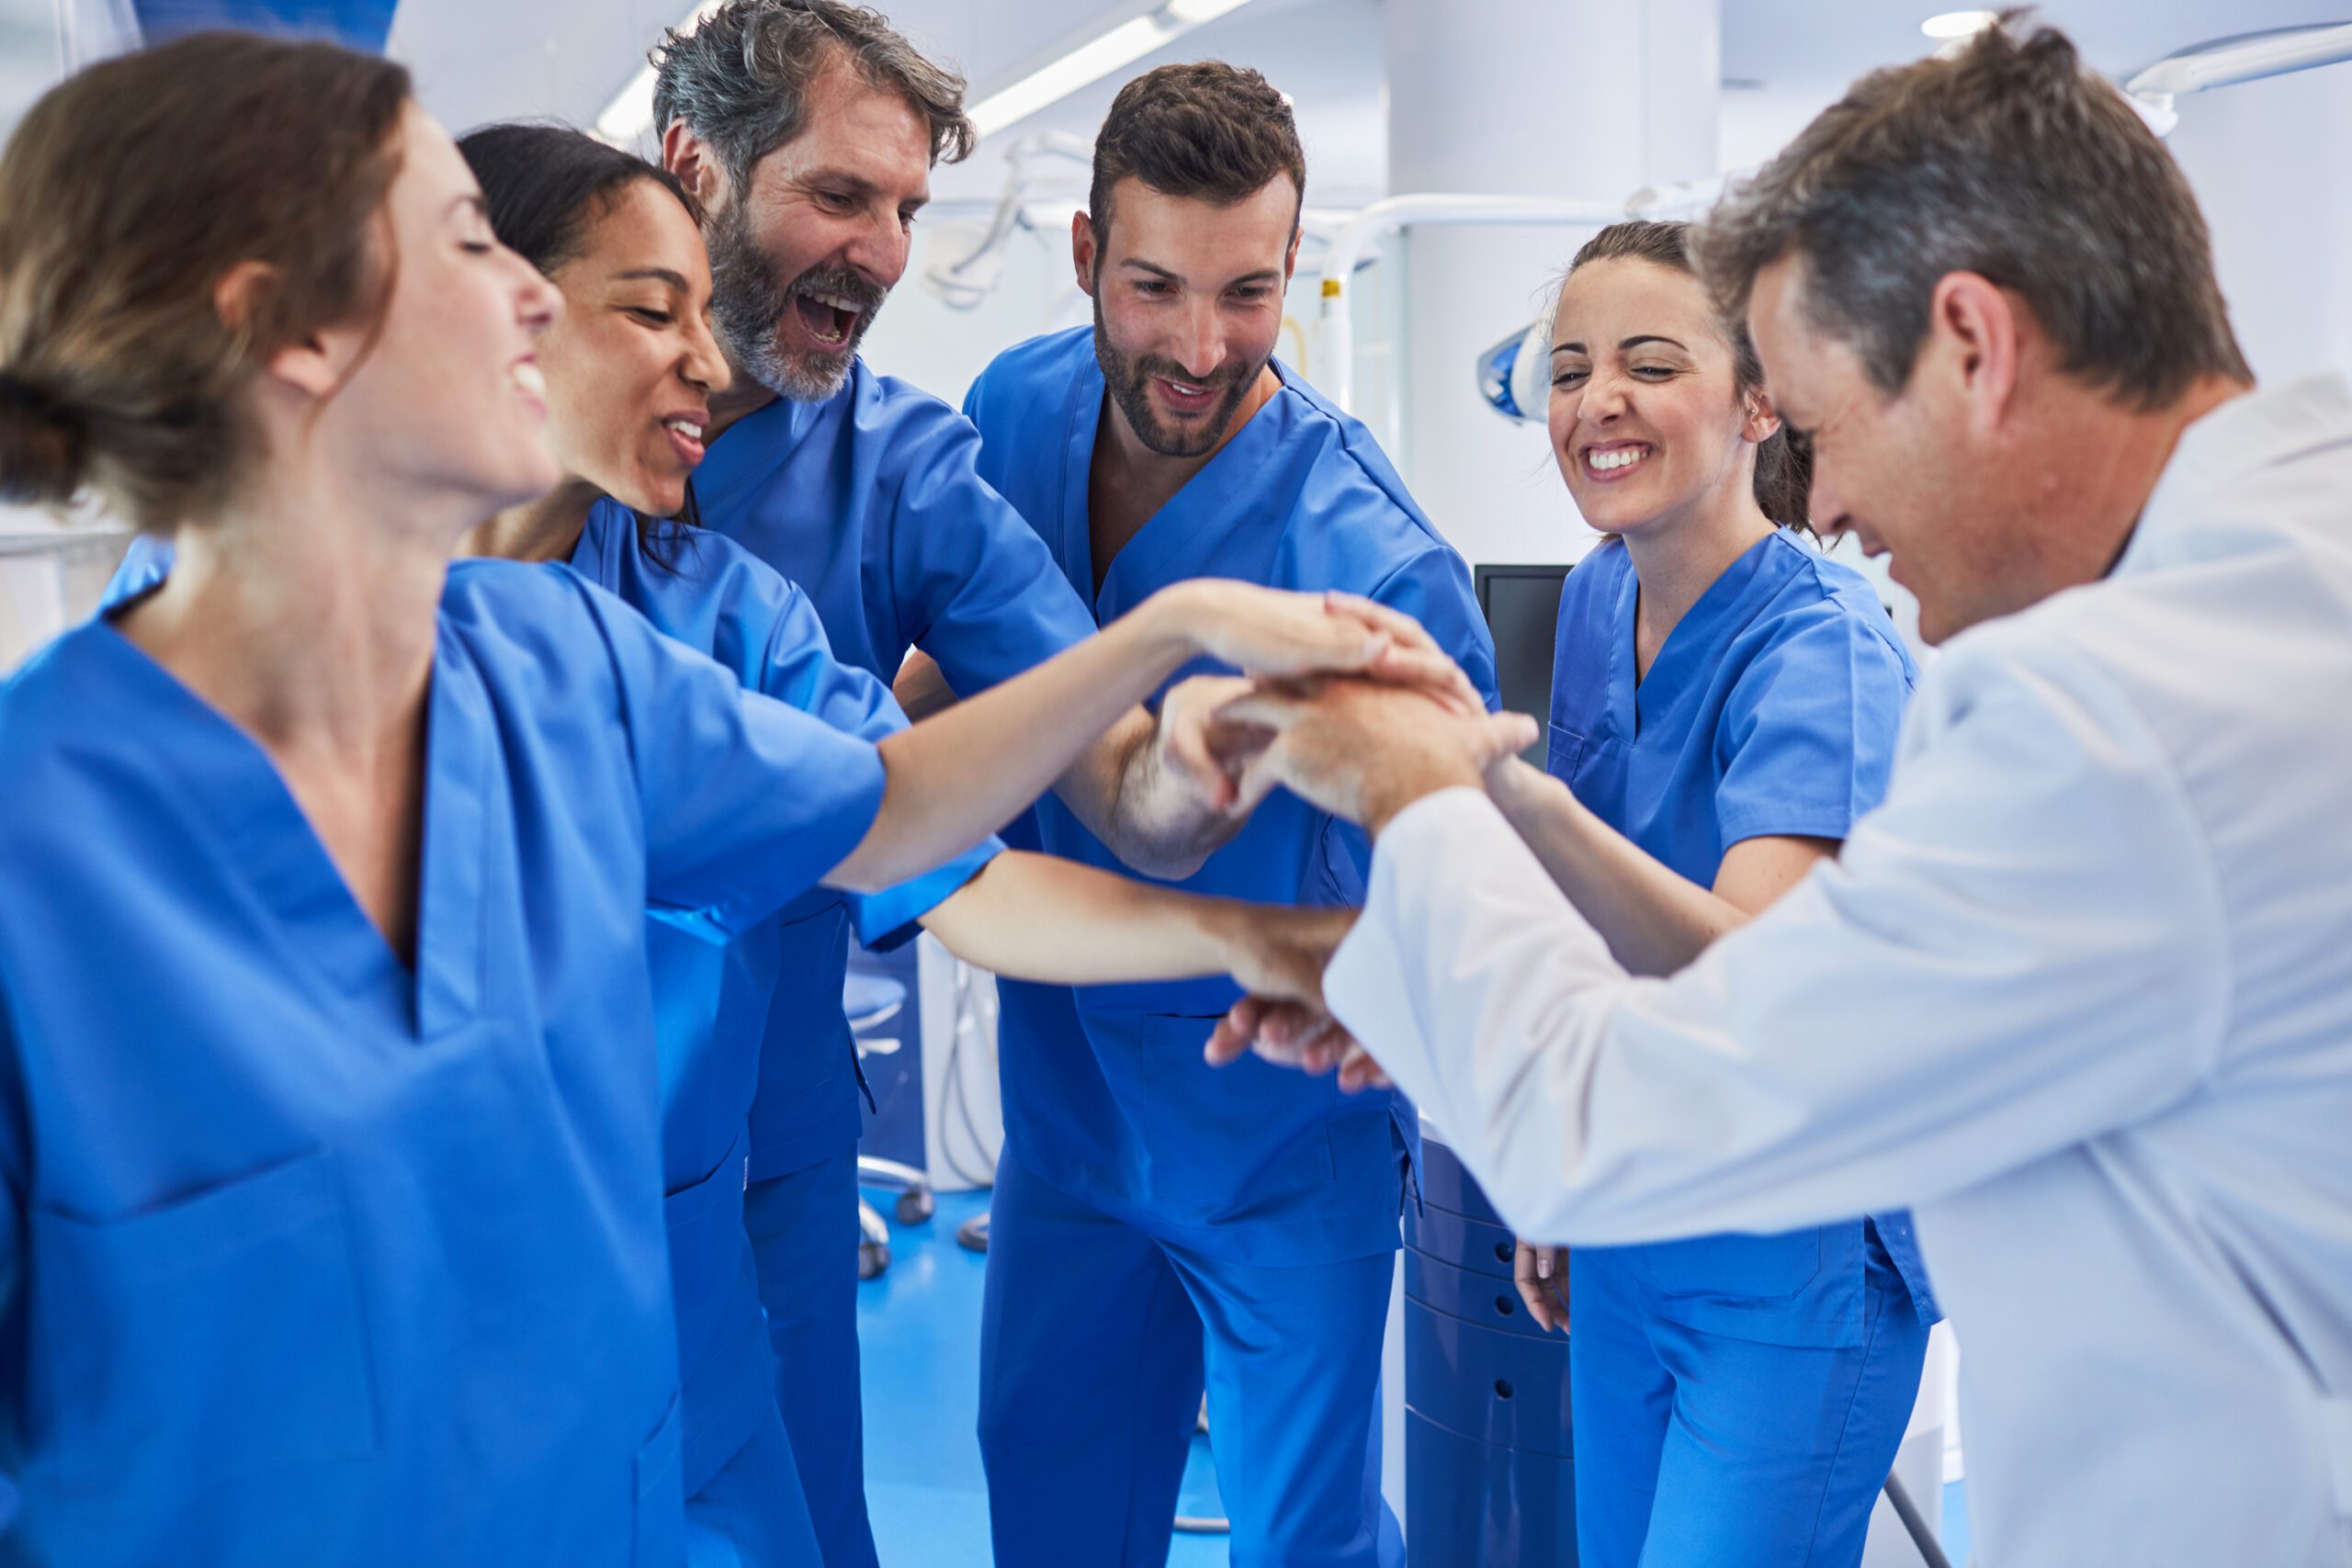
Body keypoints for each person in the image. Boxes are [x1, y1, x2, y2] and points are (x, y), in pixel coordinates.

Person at [0, 35, 1408, 1566]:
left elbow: (899, 814)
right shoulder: (50, 847)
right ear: (283, 329)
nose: (534, 301)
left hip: (673, 1332)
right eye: (472, 245)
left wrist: (1209, 771)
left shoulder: (582, 664)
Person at [1210, 20, 2352, 1568]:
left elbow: (1616, 1105)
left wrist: (1417, 790)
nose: (1846, 510)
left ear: (1974, 345)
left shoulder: (2116, 718)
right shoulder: (2293, 537)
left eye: (1822, 432)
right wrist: (1426, 979)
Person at [447, 122, 1435, 1564]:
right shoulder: (286, 630)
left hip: (696, 1290)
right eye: (654, 314)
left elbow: (925, 829)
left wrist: (1265, 926)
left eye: (909, 204)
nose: (709, 368)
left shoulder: (704, 627)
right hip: (440, 1318)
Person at [953, 62, 1498, 1568]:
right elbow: (958, 666)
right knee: (1050, 1507)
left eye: (1248, 293)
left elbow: (1465, 896)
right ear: (1082, 258)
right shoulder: (1011, 414)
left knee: (1305, 1545)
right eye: (1154, 289)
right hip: (1069, 1121)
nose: (1200, 348)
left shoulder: (1372, 566)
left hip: (1284, 1146)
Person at [1488, 219, 1935, 1568]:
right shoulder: (1590, 602)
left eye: (1646, 362)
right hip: (1633, 1216)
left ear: (1758, 401)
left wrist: (1509, 800)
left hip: (1790, 1258)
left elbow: (1751, 975)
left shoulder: (1826, 651)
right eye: (1567, 369)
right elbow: (1584, 938)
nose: (1595, 402)